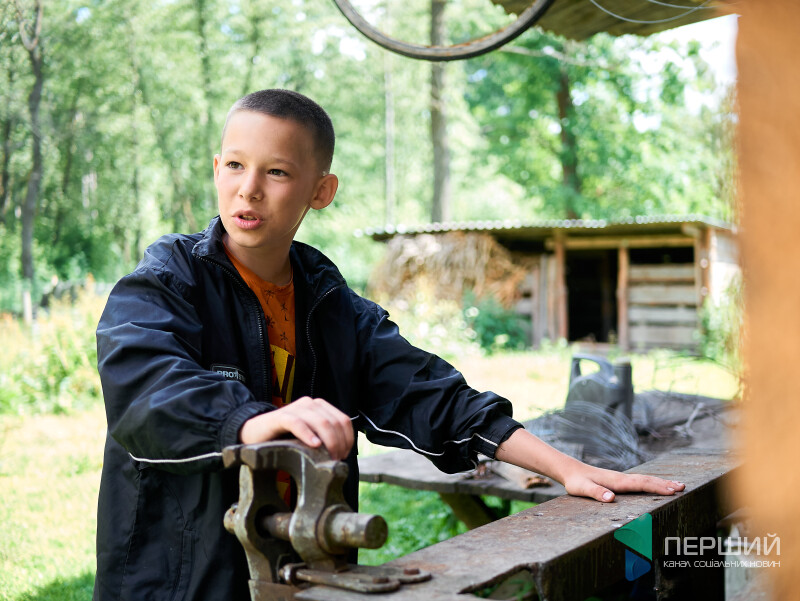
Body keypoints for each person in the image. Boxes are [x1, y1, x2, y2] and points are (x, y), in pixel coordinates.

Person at [93, 89, 684, 601]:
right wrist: (249, 420)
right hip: (178, 577)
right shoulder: (168, 279)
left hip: (303, 568)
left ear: (320, 190)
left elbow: (434, 396)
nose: (248, 191)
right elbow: (143, 386)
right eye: (235, 166)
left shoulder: (331, 305)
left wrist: (569, 469)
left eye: (276, 173)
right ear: (216, 168)